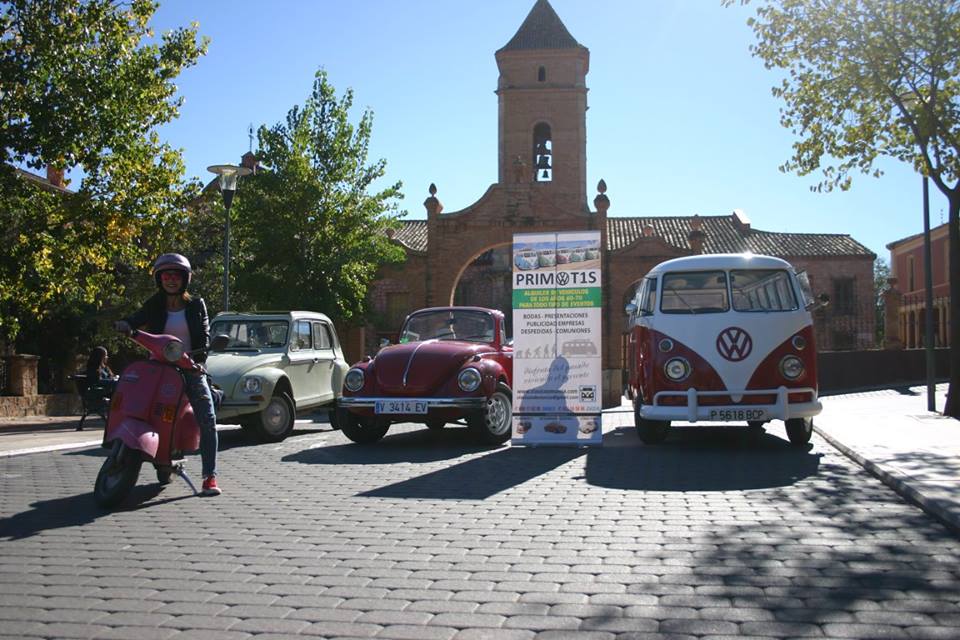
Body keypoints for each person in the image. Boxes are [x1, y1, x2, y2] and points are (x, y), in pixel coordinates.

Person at [114, 253, 222, 496]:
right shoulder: (153, 303)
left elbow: (203, 335)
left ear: (185, 279)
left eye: (176, 276)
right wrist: (124, 324)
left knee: (208, 418)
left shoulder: (196, 305)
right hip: (158, 366)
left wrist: (198, 360)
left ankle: (209, 476)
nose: (171, 280)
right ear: (159, 279)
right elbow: (136, 319)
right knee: (133, 399)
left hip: (189, 366)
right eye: (166, 275)